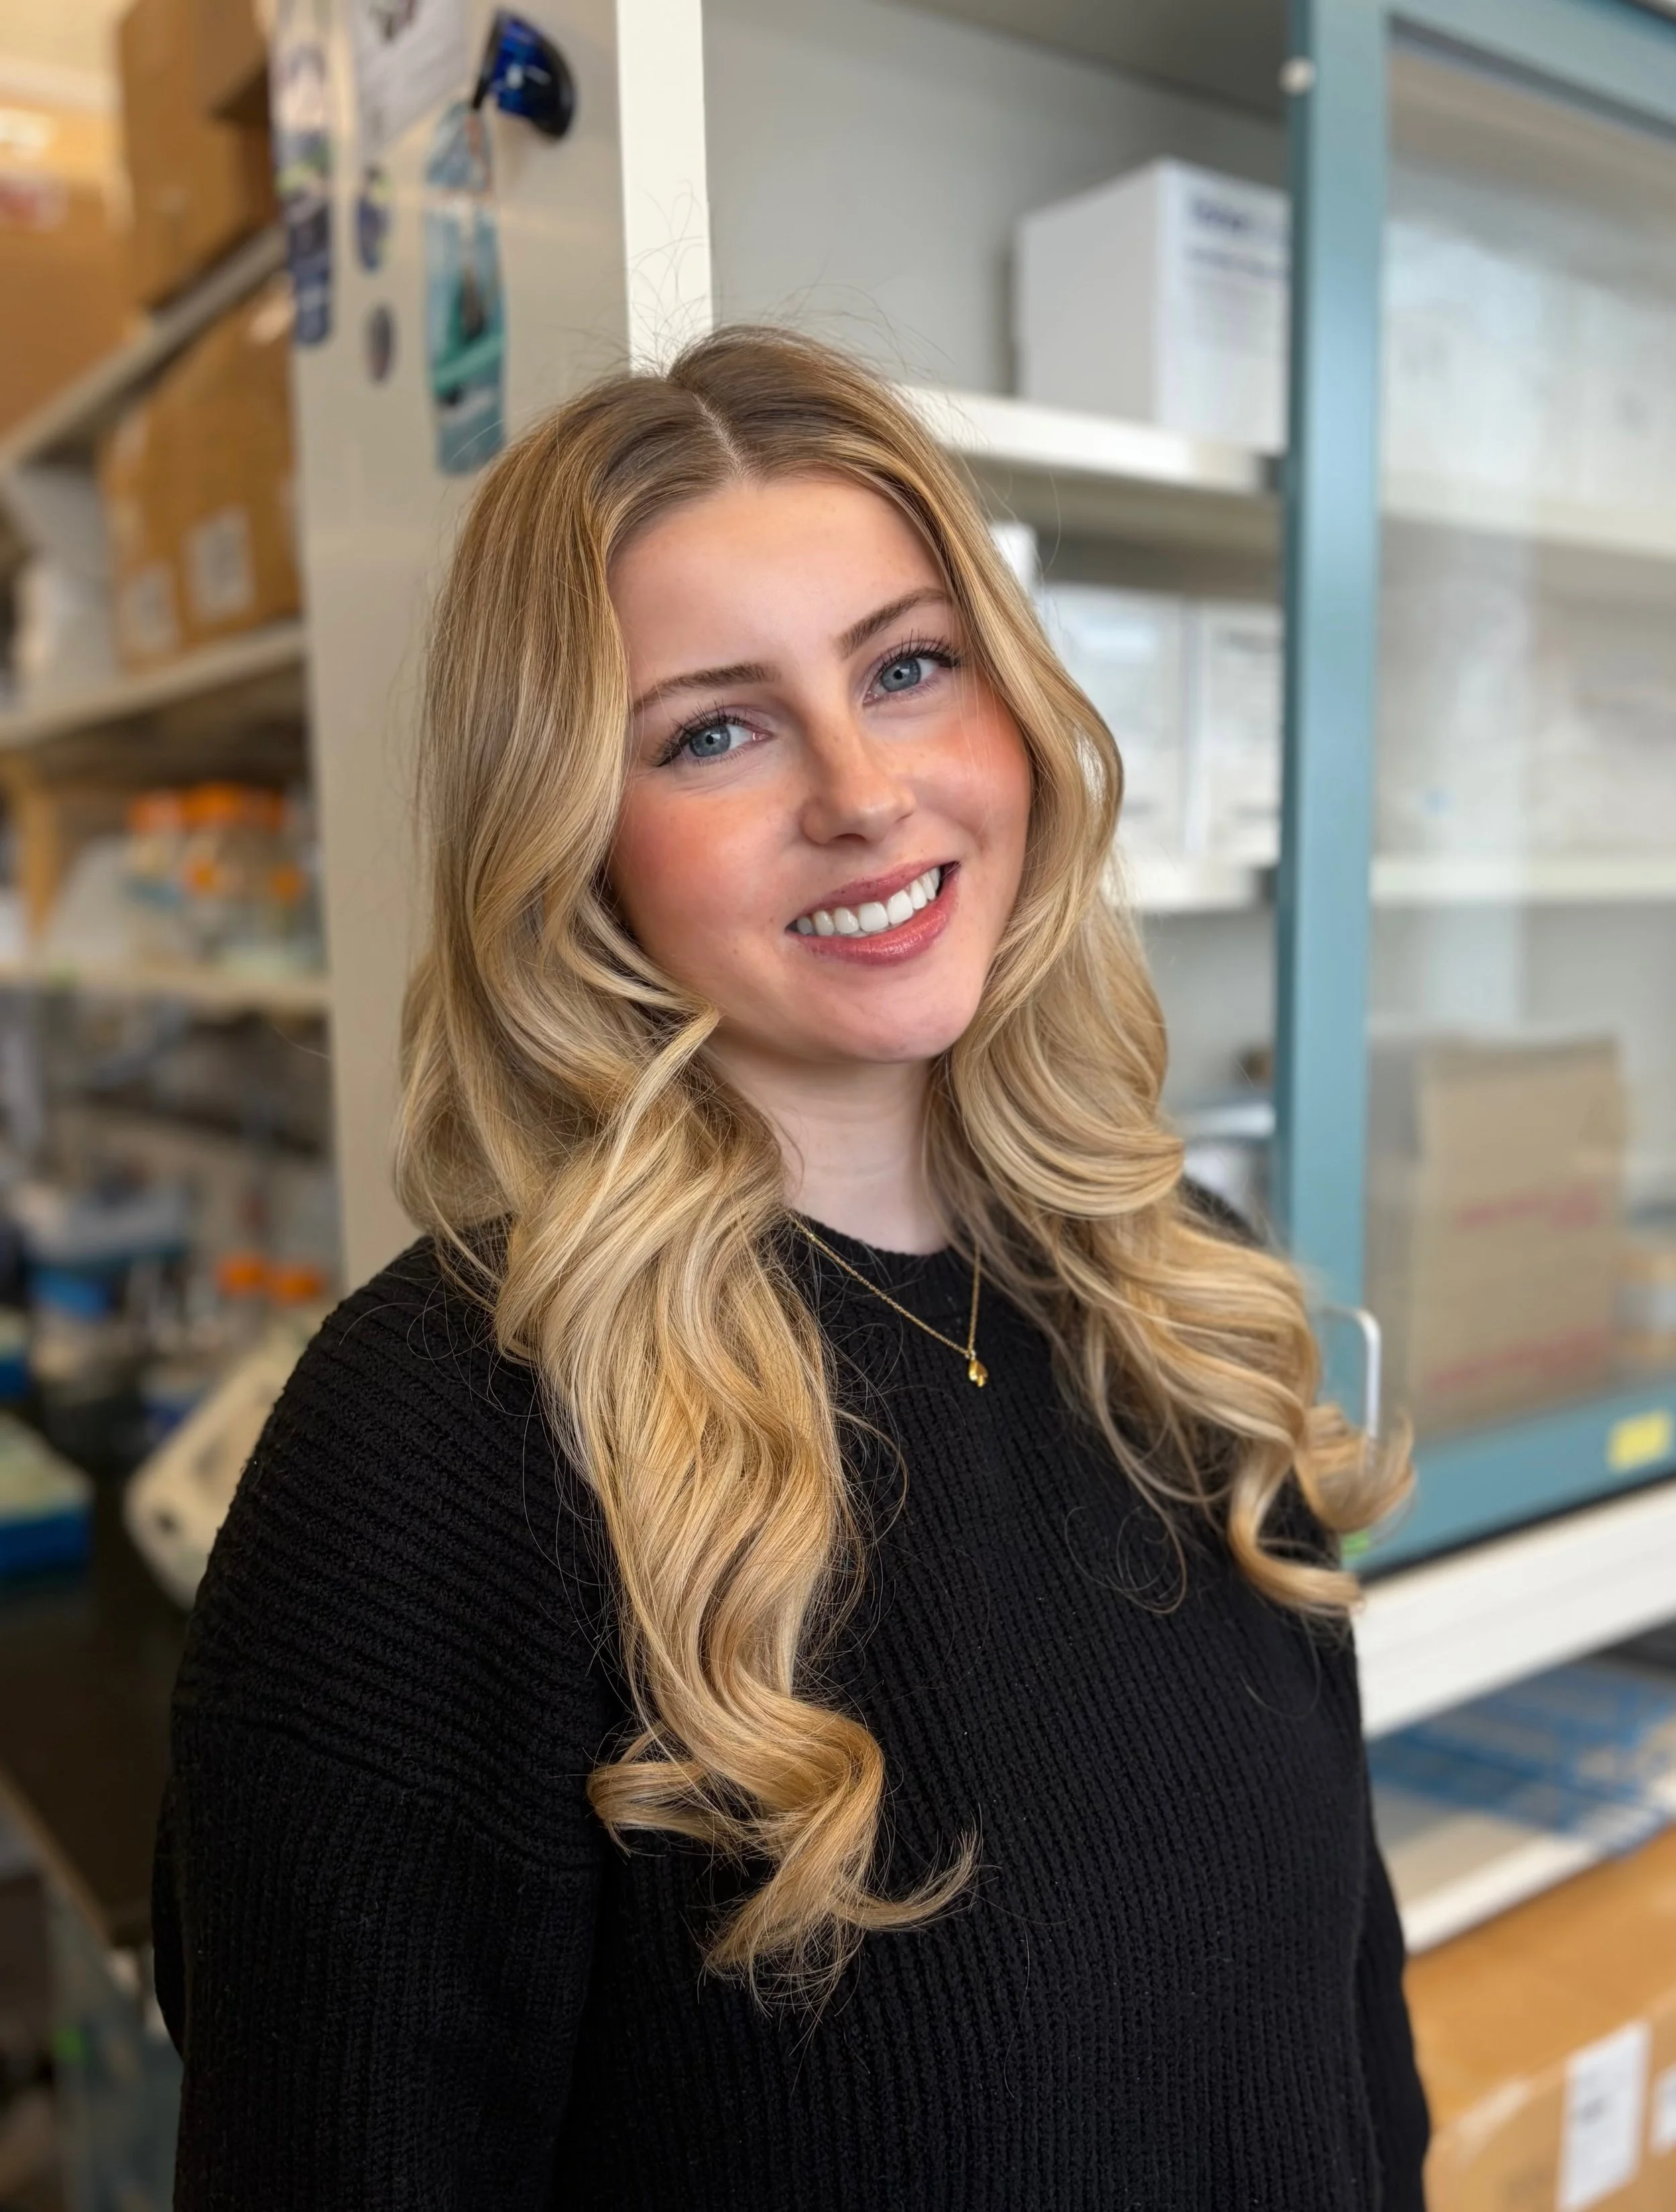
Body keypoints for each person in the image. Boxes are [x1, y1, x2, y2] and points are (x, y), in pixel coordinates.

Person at [152, 327, 1429, 2208]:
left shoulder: (1176, 1300)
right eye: (715, 732)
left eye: (908, 668)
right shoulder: (444, 1441)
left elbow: (1347, 2037)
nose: (864, 792)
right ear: (571, 837)